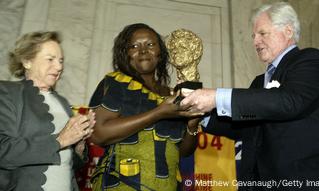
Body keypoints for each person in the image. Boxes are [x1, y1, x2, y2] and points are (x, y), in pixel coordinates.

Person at [180, 2, 319, 191]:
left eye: (262, 33)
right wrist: (202, 114)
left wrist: (216, 97)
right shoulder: (259, 82)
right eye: (253, 36)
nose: (255, 42)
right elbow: (247, 128)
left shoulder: (312, 61)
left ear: (288, 31)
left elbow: (289, 102)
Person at [89, 23, 200, 191]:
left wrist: (192, 125)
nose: (143, 51)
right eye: (134, 46)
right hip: (121, 185)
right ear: (125, 54)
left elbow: (184, 151)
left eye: (150, 44)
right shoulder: (116, 83)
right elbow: (98, 134)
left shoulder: (173, 94)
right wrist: (158, 113)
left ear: (160, 52)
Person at [0, 31, 96, 191]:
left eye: (60, 61)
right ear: (27, 61)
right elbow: (3, 151)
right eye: (50, 59)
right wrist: (60, 140)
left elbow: (69, 163)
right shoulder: (8, 93)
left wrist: (78, 143)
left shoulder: (62, 103)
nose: (59, 67)